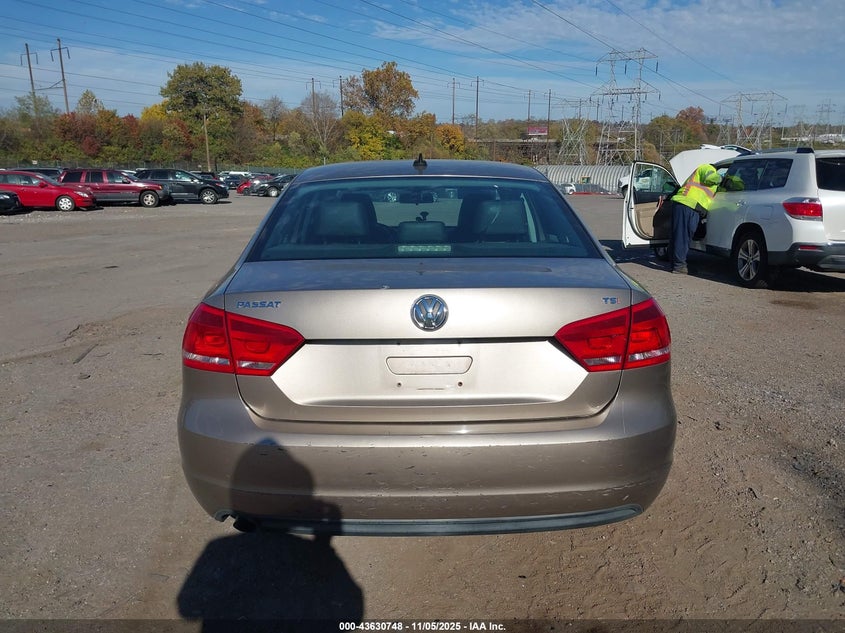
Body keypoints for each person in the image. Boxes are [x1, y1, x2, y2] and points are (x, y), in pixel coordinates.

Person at [669, 163, 722, 274]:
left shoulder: (698, 173)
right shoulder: (708, 167)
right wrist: (722, 178)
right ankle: (679, 266)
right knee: (683, 236)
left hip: (683, 204)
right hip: (689, 205)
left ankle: (676, 264)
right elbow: (711, 178)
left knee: (679, 235)